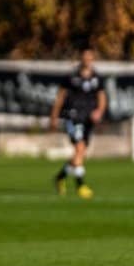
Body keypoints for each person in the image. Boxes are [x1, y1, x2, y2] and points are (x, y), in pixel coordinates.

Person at [49, 48, 107, 199]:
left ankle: (60, 177)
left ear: (93, 59)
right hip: (72, 117)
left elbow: (102, 98)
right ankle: (80, 185)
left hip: (88, 119)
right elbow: (60, 97)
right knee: (80, 149)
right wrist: (54, 117)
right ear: (81, 58)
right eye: (85, 57)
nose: (87, 60)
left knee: (79, 153)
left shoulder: (97, 78)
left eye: (90, 57)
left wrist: (99, 111)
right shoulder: (71, 77)